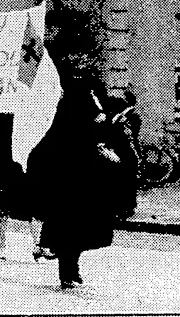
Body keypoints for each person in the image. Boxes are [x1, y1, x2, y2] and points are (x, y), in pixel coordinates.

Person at [27, 73, 137, 289]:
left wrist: (103, 145)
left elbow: (96, 133)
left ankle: (70, 268)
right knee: (70, 228)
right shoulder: (73, 109)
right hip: (72, 180)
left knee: (77, 228)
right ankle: (67, 272)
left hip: (84, 179)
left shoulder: (84, 104)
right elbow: (78, 137)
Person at [0, 113, 54, 262]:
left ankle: (38, 244)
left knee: (32, 194)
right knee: (2, 196)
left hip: (26, 138)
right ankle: (1, 244)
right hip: (4, 144)